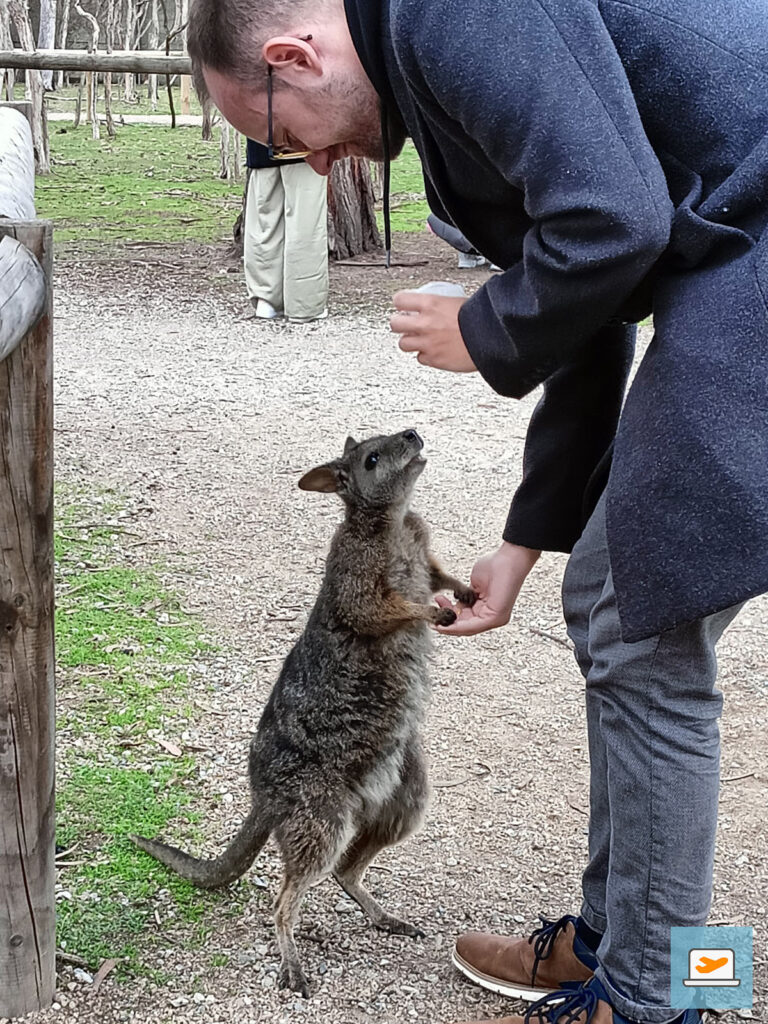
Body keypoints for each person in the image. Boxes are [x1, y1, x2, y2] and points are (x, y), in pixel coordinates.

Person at [186, 3, 768, 1023]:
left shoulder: (447, 12)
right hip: (733, 255)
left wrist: (485, 324)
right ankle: (617, 944)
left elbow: (618, 221)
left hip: (750, 253)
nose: (315, 168)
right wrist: (523, 541)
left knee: (640, 626)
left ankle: (652, 997)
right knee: (607, 603)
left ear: (293, 56)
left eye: (286, 139)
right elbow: (591, 310)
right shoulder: (436, 79)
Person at [244, 138, 329, 322]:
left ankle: (266, 300)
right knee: (306, 222)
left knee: (265, 222)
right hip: (305, 142)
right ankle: (304, 304)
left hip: (262, 138)